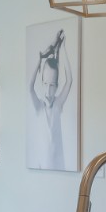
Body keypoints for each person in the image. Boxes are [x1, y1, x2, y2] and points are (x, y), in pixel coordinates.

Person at [28, 27, 75, 168]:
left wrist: (63, 48)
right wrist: (40, 58)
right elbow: (29, 87)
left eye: (52, 85)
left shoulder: (58, 104)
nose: (48, 91)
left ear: (56, 86)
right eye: (46, 84)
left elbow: (70, 80)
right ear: (41, 82)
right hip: (42, 166)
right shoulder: (39, 107)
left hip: (59, 166)